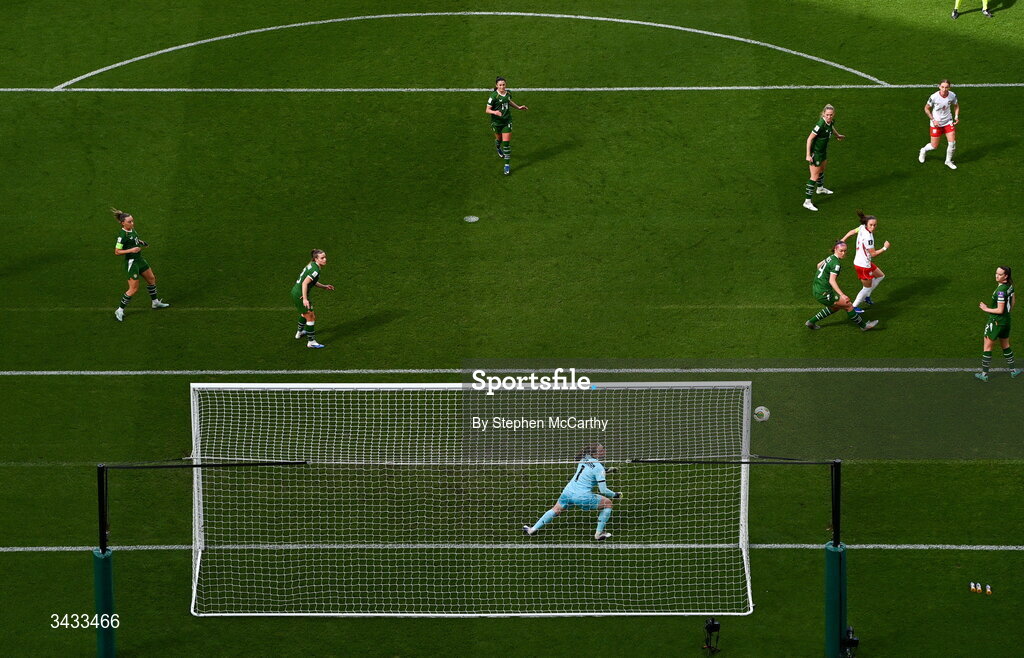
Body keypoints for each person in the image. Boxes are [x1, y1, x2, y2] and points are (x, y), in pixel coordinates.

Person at [523, 443, 621, 541]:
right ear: (594, 453)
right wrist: (615, 495)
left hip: (568, 492)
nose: (604, 451)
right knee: (608, 504)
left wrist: (608, 470)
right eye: (601, 451)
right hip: (583, 497)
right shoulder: (599, 468)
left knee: (555, 509)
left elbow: (591, 469)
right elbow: (603, 490)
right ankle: (599, 534)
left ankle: (532, 529)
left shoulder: (585, 458)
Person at [112, 208, 169, 322]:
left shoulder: (132, 230)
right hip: (132, 263)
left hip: (140, 260)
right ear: (123, 223)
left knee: (152, 279)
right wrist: (132, 250)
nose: (132, 223)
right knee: (133, 289)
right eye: (129, 222)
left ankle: (155, 302)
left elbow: (134, 239)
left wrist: (140, 242)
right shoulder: (122, 236)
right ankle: (120, 310)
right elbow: (117, 251)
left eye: (132, 221)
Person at [806, 241, 878, 331]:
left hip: (816, 289)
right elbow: (832, 281)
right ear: (835, 249)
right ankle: (864, 326)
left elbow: (818, 265)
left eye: (845, 251)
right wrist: (842, 295)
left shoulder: (830, 258)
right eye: (841, 251)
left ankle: (811, 322)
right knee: (848, 305)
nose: (843, 253)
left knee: (835, 307)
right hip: (824, 293)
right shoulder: (836, 264)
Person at [975, 266, 1020, 381]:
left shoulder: (1000, 291)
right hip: (1006, 321)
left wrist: (985, 308)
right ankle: (1013, 371)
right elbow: (1013, 302)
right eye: (996, 273)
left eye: (1000, 274)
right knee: (1005, 345)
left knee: (987, 346)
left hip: (996, 321)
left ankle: (984, 375)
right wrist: (1006, 312)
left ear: (1006, 276)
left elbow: (999, 310)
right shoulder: (1010, 287)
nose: (997, 276)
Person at [840, 211, 891, 309]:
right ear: (866, 224)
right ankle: (853, 307)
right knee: (866, 288)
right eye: (871, 225)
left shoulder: (862, 227)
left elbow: (852, 232)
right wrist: (885, 248)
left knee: (880, 276)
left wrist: (843, 239)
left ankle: (867, 297)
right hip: (863, 265)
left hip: (863, 262)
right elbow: (873, 254)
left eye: (875, 225)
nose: (873, 227)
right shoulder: (869, 238)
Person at [803, 104, 845, 212]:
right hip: (816, 154)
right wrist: (808, 155)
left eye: (831, 115)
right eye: (827, 115)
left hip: (823, 152)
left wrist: (837, 135)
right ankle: (807, 202)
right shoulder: (820, 124)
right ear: (823, 114)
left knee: (822, 170)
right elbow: (809, 139)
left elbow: (831, 127)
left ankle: (820, 189)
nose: (829, 117)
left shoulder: (830, 122)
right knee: (814, 176)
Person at [291, 249, 334, 349]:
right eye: (322, 258)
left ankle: (300, 332)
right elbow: (305, 283)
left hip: (297, 292)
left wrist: (324, 286)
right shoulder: (315, 270)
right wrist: (305, 299)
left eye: (325, 257)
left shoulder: (312, 265)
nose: (325, 259)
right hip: (300, 294)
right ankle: (311, 342)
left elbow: (311, 281)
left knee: (305, 313)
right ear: (316, 259)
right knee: (311, 316)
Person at [485, 77, 528, 176]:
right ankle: (497, 146)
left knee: (506, 144)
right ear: (496, 86)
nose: (502, 87)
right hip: (496, 123)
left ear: (506, 85)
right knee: (499, 140)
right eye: (500, 85)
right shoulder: (493, 96)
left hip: (507, 122)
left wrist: (518, 107)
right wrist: (495, 112)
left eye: (503, 85)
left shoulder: (508, 93)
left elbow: (508, 101)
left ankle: (507, 166)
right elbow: (487, 110)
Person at [919, 80, 959, 169]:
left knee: (952, 143)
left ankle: (948, 161)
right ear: (939, 87)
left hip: (948, 121)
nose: (944, 89)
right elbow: (926, 109)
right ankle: (923, 150)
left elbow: (956, 106)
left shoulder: (952, 95)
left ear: (949, 87)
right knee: (934, 146)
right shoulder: (934, 97)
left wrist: (956, 116)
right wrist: (933, 120)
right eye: (942, 87)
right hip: (936, 123)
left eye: (946, 87)